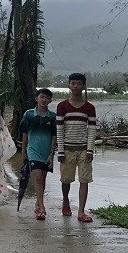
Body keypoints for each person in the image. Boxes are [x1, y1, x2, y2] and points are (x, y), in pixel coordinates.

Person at [55, 73, 97, 222]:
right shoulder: (62, 106)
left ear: (84, 86)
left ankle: (81, 212)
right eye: (73, 83)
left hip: (84, 149)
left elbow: (92, 130)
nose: (76, 86)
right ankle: (65, 200)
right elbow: (59, 129)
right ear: (69, 86)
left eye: (79, 84)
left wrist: (90, 149)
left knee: (84, 180)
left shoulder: (89, 108)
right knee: (66, 180)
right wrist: (60, 151)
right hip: (66, 149)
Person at [20, 88, 57, 220]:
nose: (44, 100)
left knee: (43, 178)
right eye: (42, 97)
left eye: (47, 98)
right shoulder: (29, 115)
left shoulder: (52, 117)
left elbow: (54, 136)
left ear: (50, 100)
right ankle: (41, 207)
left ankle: (37, 203)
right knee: (38, 176)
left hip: (46, 152)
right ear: (37, 98)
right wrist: (24, 151)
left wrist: (52, 153)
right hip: (33, 151)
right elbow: (24, 133)